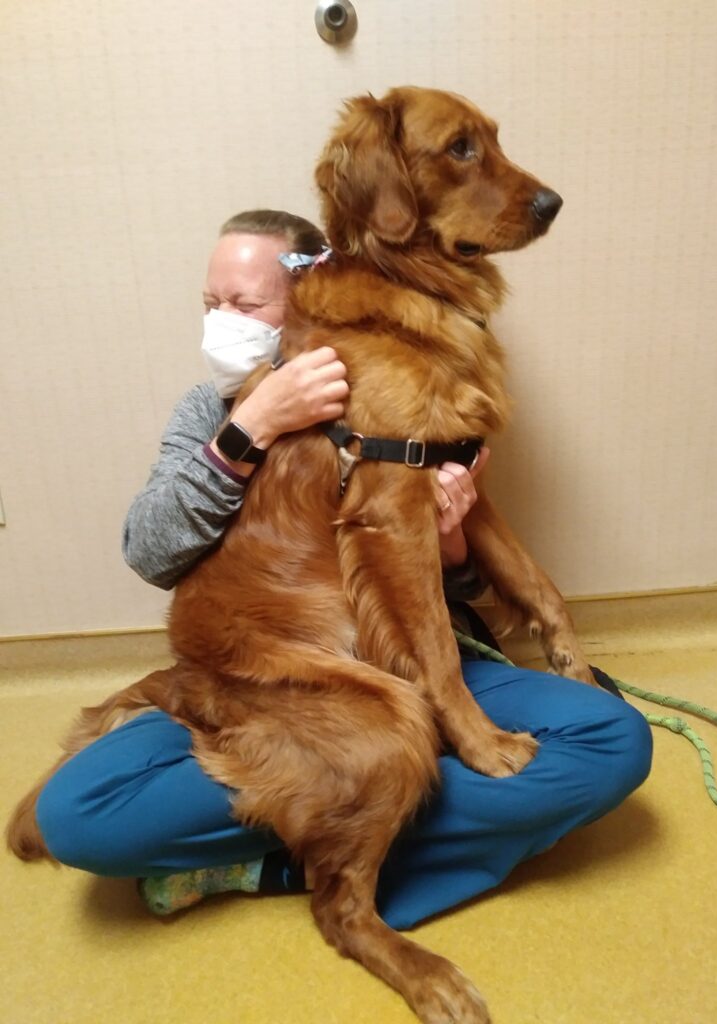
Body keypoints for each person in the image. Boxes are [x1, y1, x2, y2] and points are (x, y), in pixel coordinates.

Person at [34, 209, 652, 931]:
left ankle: (288, 851)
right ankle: (368, 822)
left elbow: (450, 585)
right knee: (78, 818)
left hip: (419, 664)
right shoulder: (207, 409)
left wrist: (447, 537)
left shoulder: (404, 384)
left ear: (309, 294)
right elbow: (149, 551)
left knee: (615, 743)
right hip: (270, 681)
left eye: (246, 304)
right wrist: (250, 428)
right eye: (211, 304)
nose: (221, 324)